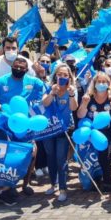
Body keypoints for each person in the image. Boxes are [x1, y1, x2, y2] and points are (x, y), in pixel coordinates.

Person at [77, 72, 111, 191]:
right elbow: (80, 115)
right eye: (99, 82)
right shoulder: (89, 98)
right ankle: (97, 177)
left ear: (108, 84)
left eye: (104, 82)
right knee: (94, 157)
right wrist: (84, 104)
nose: (102, 84)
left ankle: (107, 182)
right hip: (93, 133)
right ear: (94, 84)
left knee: (106, 157)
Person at [41, 63, 78, 202]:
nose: (62, 77)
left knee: (60, 159)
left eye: (65, 75)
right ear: (55, 75)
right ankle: (53, 184)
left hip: (64, 129)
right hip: (49, 128)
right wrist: (52, 93)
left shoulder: (71, 90)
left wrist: (72, 94)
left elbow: (74, 107)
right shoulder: (49, 88)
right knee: (50, 157)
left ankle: (63, 188)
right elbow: (45, 103)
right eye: (59, 74)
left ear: (69, 77)